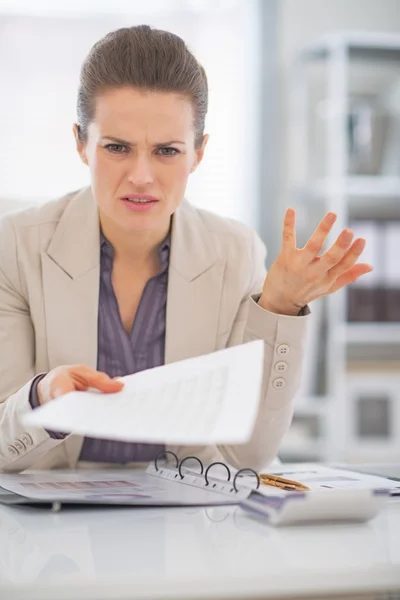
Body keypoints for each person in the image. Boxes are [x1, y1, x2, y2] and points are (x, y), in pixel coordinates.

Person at [0, 26, 371, 473]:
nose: (141, 176)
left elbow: (247, 455)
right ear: (81, 143)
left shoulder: (235, 253)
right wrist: (41, 397)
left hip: (185, 528)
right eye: (117, 147)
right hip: (50, 531)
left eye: (167, 151)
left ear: (198, 152)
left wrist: (281, 306)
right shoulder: (16, 247)